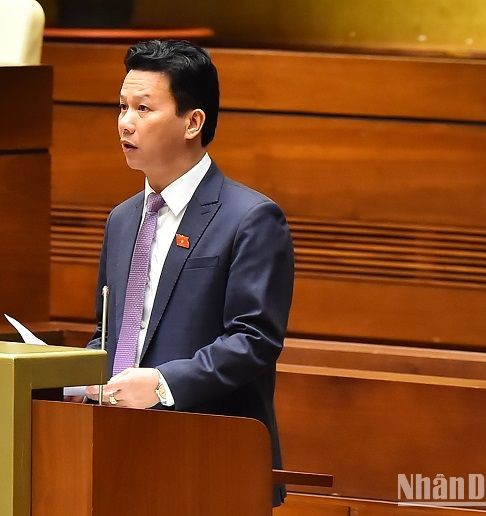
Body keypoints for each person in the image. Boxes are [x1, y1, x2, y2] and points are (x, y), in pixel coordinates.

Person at [81, 39, 294, 506]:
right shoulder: (122, 219)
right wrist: (83, 375)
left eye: (143, 108)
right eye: (121, 106)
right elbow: (109, 332)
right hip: (118, 450)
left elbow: (253, 340)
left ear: (192, 122)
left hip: (209, 457)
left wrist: (162, 384)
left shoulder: (250, 218)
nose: (125, 122)